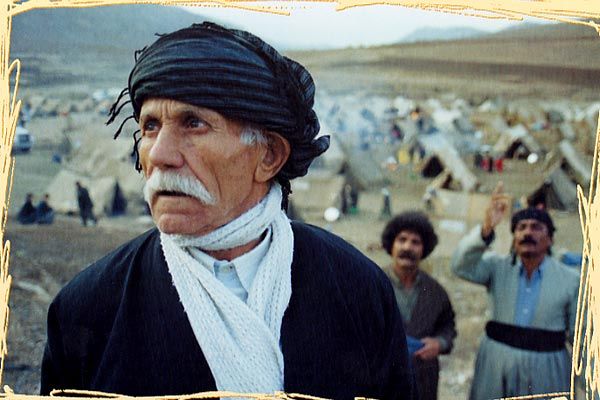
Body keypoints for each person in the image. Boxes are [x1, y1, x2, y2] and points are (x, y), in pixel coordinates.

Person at [41, 22, 415, 400]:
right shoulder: (85, 311)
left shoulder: (357, 289)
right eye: (150, 126)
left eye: (193, 123)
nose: (159, 155)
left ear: (268, 155)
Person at [451, 182, 580, 400]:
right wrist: (485, 230)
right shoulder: (496, 267)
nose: (527, 232)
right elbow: (461, 266)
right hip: (495, 365)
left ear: (550, 239)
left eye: (536, 227)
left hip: (547, 369)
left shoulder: (570, 279)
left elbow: (581, 336)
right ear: (514, 238)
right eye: (521, 227)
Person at [382, 211, 456, 400]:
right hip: (383, 377)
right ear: (391, 244)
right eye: (402, 239)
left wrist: (440, 343)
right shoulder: (374, 283)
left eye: (415, 242)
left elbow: (448, 326)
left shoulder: (435, 291)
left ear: (424, 249)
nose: (408, 247)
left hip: (424, 378)